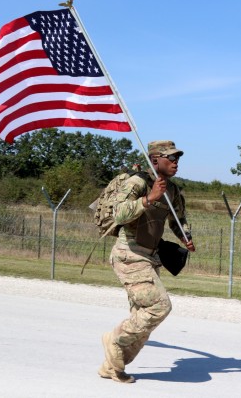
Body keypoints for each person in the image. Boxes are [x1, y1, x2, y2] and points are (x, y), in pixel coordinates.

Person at [98, 140, 196, 383]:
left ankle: (112, 367)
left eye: (177, 159)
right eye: (171, 158)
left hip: (150, 257)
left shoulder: (172, 190)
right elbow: (119, 213)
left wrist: (185, 235)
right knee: (159, 307)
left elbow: (177, 218)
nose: (175, 163)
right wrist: (148, 198)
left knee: (143, 320)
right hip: (129, 254)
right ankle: (115, 340)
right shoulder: (138, 183)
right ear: (155, 160)